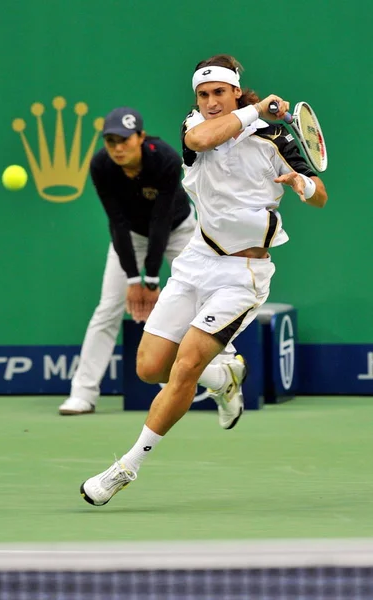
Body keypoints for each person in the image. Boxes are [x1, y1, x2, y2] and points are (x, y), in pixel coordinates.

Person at [80, 54, 328, 505]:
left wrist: (300, 184)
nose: (211, 102)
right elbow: (202, 137)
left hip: (243, 274)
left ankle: (126, 467)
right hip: (196, 260)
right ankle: (225, 377)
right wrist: (255, 110)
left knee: (185, 366)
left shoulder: (277, 138)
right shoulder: (195, 125)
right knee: (150, 367)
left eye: (219, 93)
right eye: (203, 94)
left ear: (235, 89)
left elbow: (320, 196)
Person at [59, 107, 196, 415]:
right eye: (110, 141)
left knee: (201, 300)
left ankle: (218, 380)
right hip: (131, 236)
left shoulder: (165, 159)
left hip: (178, 230)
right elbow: (117, 223)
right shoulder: (101, 166)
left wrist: (150, 280)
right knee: (107, 309)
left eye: (124, 140)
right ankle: (82, 393)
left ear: (140, 137)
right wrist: (133, 280)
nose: (118, 148)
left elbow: (160, 221)